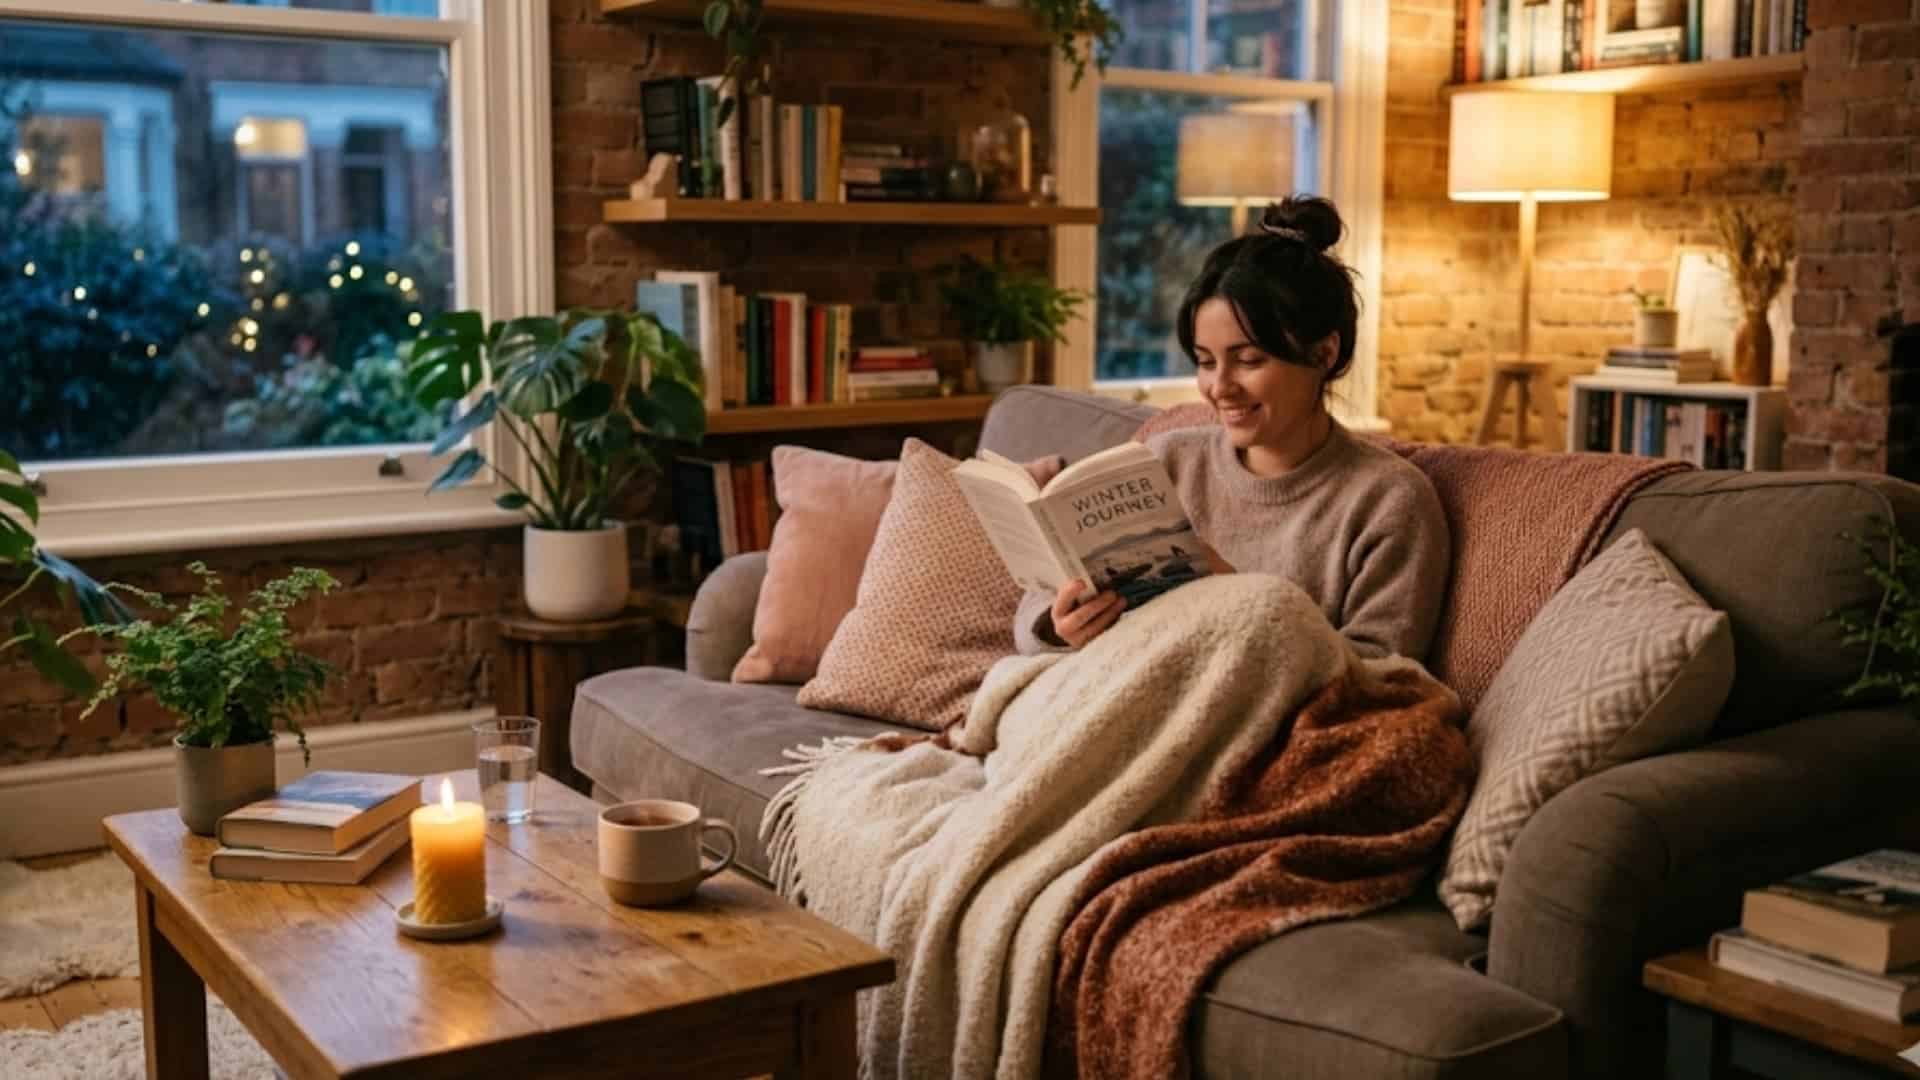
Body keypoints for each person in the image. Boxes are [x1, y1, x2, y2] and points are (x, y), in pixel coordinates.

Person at [1013, 195, 1451, 661]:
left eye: (1248, 361)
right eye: (1205, 362)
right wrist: (1063, 627)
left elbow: (1382, 677)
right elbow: (1029, 626)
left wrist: (1237, 598)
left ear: (1323, 354)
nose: (1219, 387)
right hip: (1123, 683)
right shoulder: (1165, 461)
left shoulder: (1388, 502)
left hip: (1249, 719)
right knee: (1008, 685)